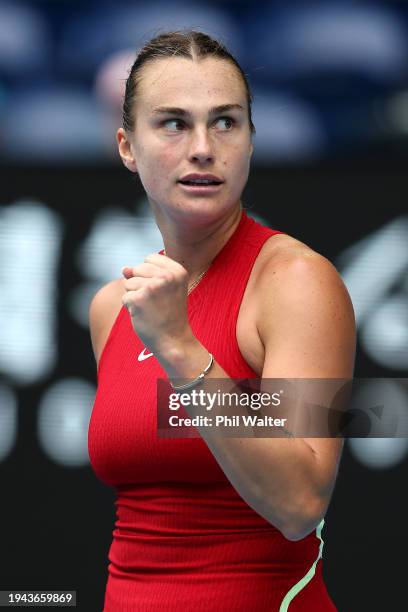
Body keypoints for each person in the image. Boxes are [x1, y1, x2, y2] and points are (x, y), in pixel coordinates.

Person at [88, 30, 356, 611]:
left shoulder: (297, 283)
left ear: (251, 142)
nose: (204, 147)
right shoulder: (114, 305)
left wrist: (181, 349)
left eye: (226, 122)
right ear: (127, 146)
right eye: (173, 123)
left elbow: (300, 503)